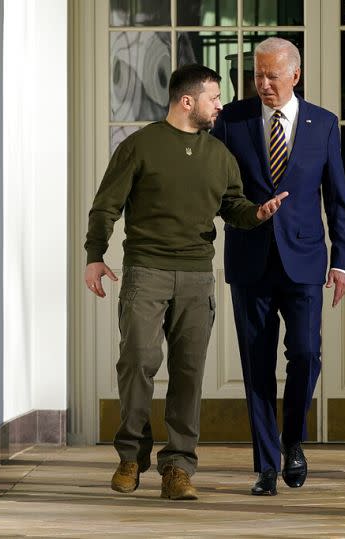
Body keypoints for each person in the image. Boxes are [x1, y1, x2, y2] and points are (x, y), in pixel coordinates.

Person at [84, 64, 288, 501]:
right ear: (187, 101)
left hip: (197, 276)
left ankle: (178, 466)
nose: (221, 105)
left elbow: (232, 206)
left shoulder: (220, 155)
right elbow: (105, 207)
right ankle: (130, 455)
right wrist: (94, 256)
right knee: (137, 362)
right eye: (215, 98)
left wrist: (257, 214)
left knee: (189, 373)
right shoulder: (140, 146)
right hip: (146, 272)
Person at [211, 38, 345, 496]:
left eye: (273, 75)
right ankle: (266, 467)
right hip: (250, 261)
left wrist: (342, 263)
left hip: (307, 261)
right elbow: (215, 190)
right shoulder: (231, 121)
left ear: (295, 75)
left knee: (306, 355)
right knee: (256, 368)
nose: (265, 84)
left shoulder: (323, 124)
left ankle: (293, 440)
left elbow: (336, 199)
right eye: (258, 75)